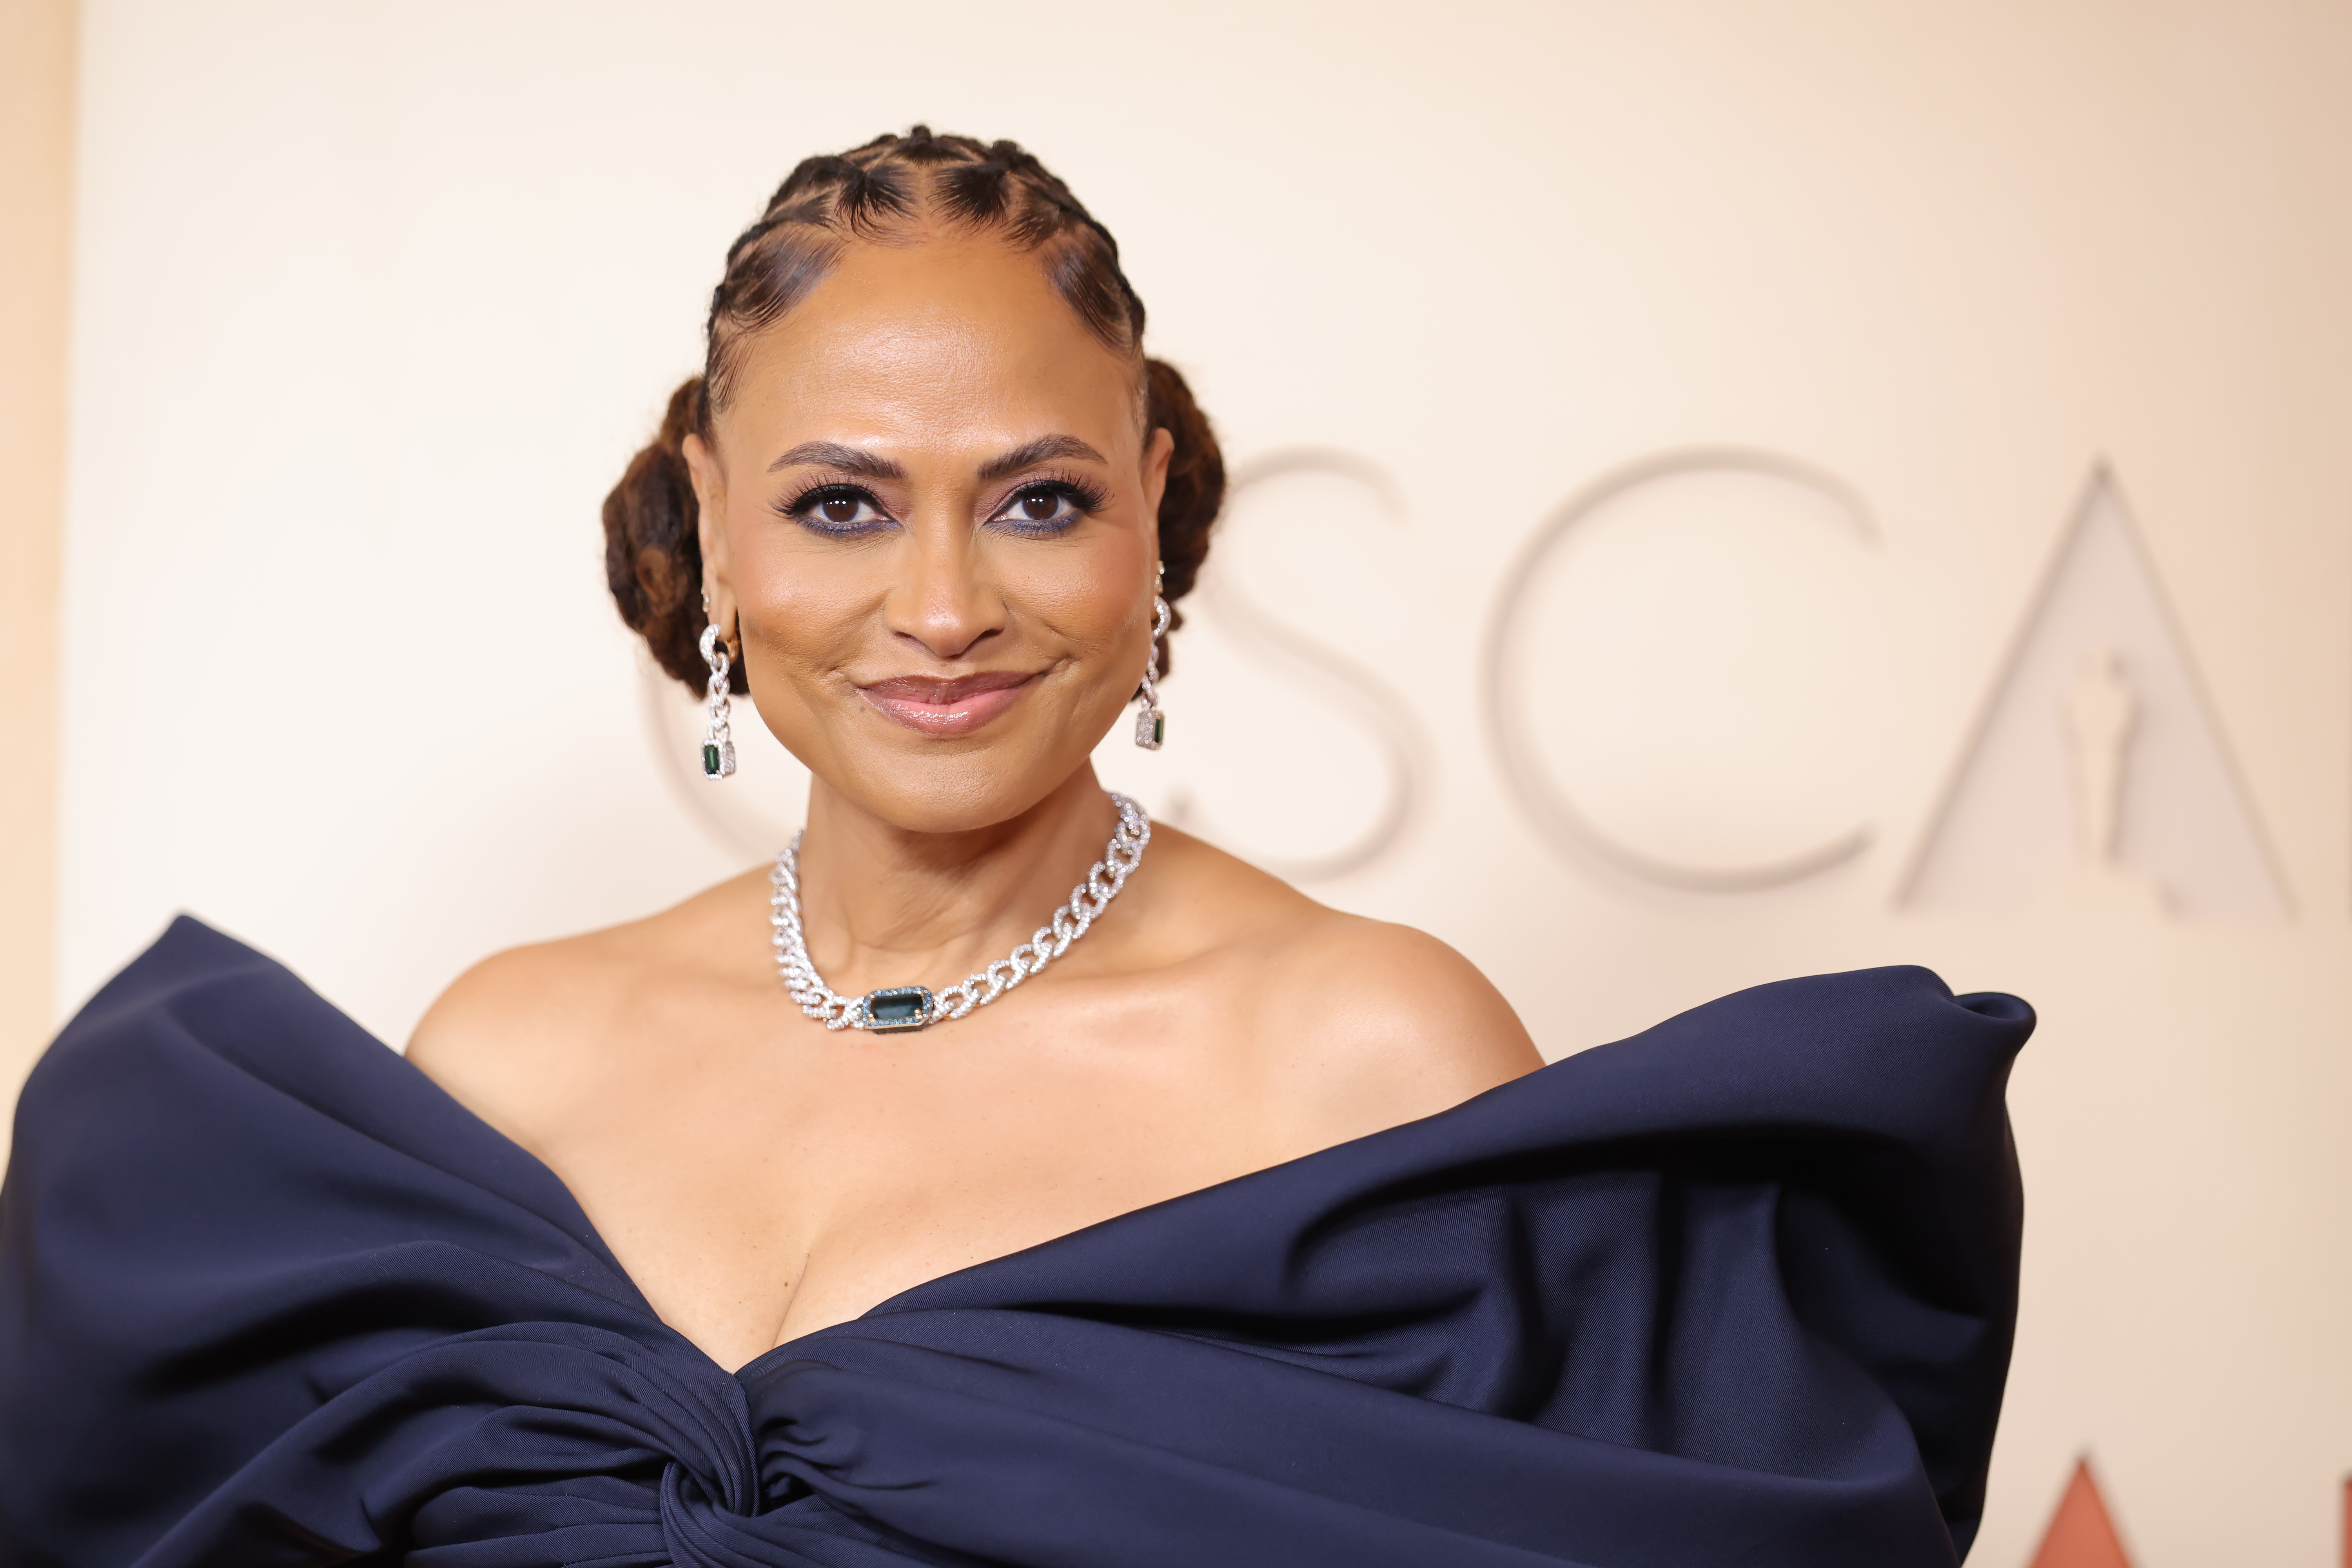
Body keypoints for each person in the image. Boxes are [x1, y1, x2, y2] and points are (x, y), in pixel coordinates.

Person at [0, 129, 2031, 1567]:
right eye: (844, 505)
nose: (949, 604)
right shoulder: (504, 1059)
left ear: (1152, 507)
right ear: (712, 519)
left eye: (1040, 502)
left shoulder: (1367, 1053)